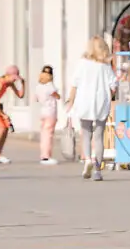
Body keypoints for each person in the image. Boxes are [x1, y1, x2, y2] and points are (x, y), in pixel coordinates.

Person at [65, 37, 116, 180]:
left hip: (84, 102)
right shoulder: (105, 67)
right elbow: (113, 86)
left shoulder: (82, 64)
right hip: (101, 103)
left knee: (86, 133)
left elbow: (74, 84)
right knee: (99, 136)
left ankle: (87, 159)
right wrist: (109, 96)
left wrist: (71, 102)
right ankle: (97, 170)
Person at [34, 66, 61, 164]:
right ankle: (46, 156)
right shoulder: (50, 86)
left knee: (43, 134)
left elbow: (36, 99)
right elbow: (57, 96)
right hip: (50, 111)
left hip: (42, 111)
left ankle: (43, 154)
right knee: (48, 134)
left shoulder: (38, 86)